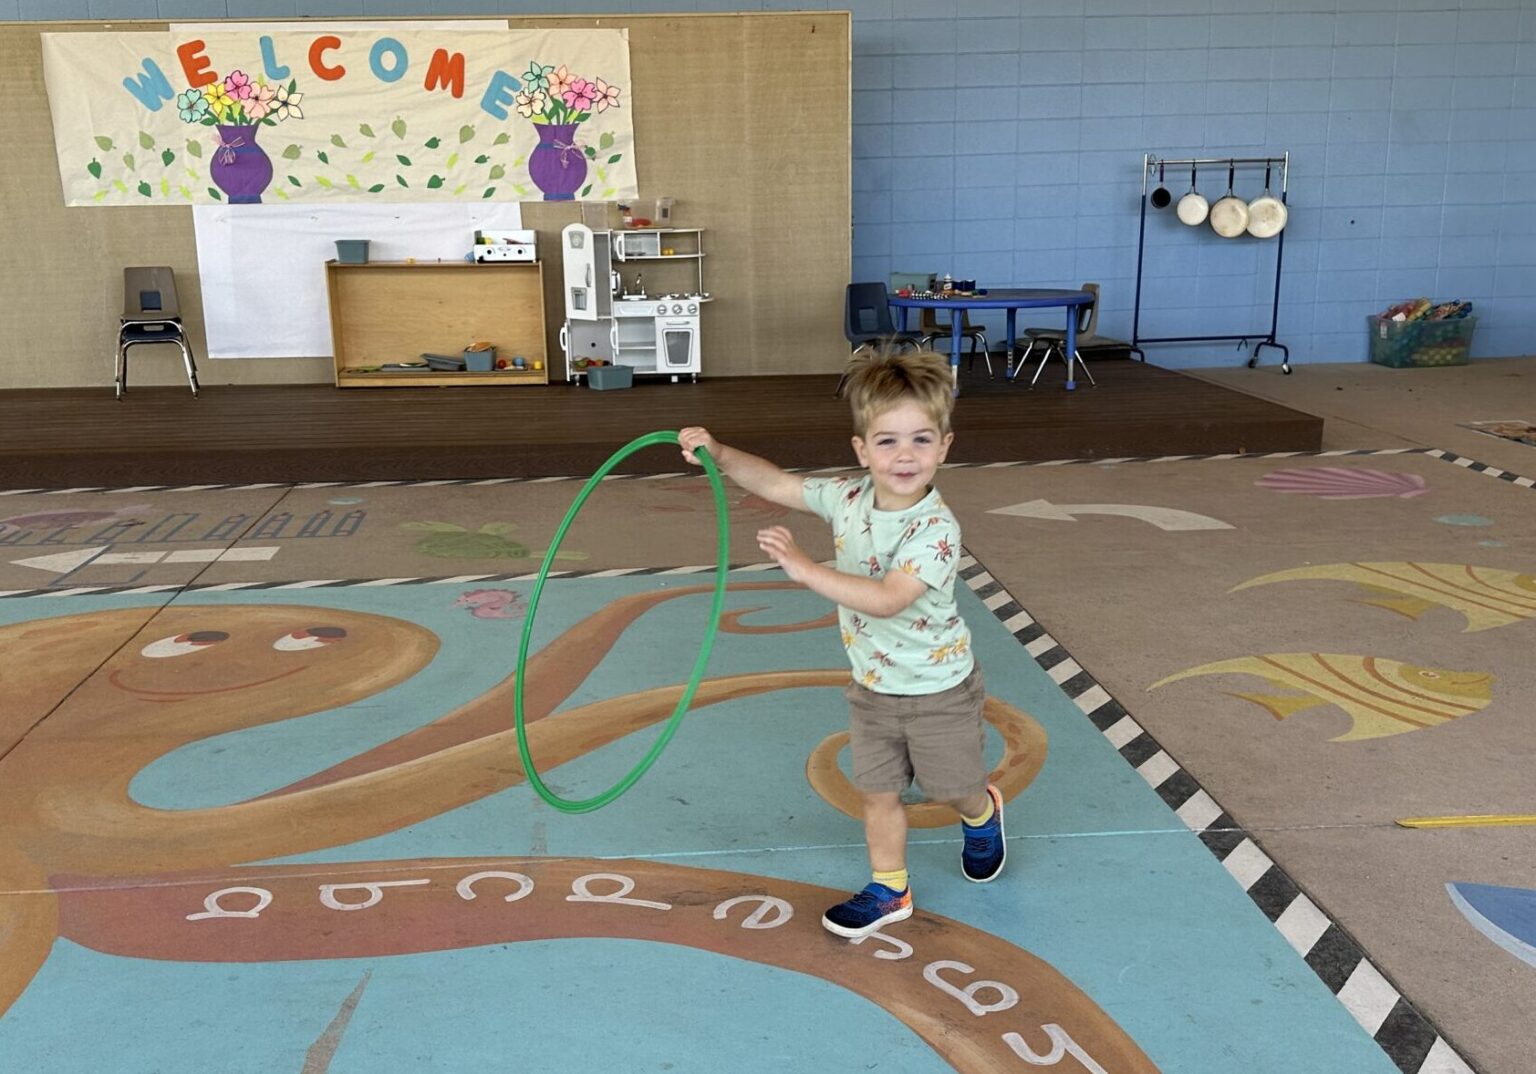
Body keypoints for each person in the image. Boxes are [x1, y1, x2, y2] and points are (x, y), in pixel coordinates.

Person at [678, 348, 1004, 941]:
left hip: (939, 690)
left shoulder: (935, 529)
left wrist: (806, 570)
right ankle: (890, 888)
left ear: (945, 446)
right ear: (861, 450)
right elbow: (776, 482)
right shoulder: (846, 498)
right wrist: (720, 453)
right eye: (887, 441)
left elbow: (886, 599)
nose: (904, 456)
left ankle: (981, 814)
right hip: (874, 688)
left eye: (921, 440)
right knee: (877, 793)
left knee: (951, 788)